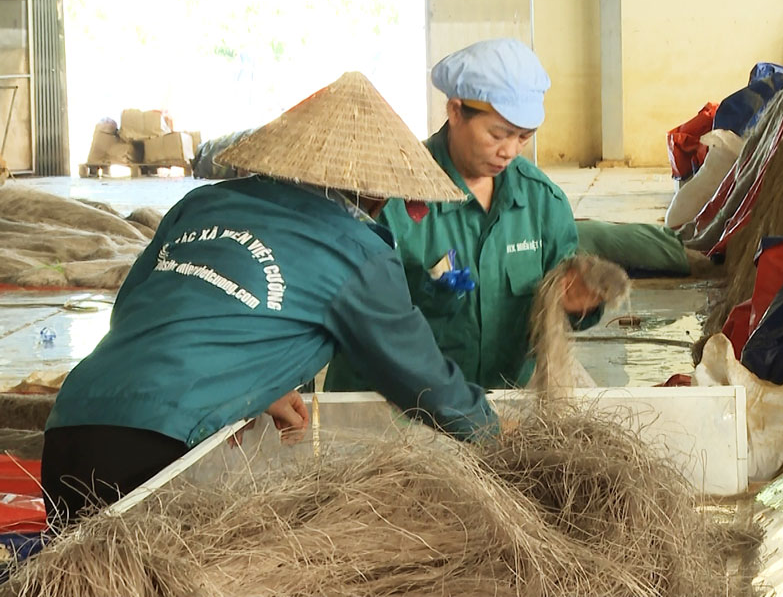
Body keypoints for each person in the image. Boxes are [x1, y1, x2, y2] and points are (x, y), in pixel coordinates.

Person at [41, 71, 498, 524]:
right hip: (158, 452)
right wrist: (496, 432)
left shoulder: (202, 204)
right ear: (379, 192)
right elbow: (421, 378)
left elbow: (136, 314)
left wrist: (253, 386)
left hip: (70, 424)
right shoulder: (357, 251)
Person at [325, 38, 603, 393]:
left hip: (501, 409)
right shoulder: (390, 202)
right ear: (455, 111)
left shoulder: (541, 203)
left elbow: (561, 308)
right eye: (498, 134)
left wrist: (577, 301)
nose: (510, 151)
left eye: (524, 136)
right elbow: (358, 324)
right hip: (399, 411)